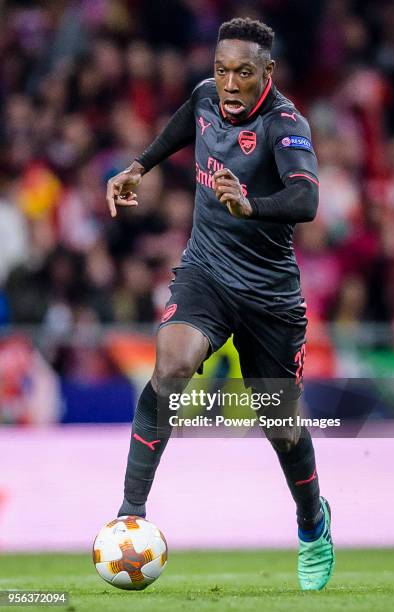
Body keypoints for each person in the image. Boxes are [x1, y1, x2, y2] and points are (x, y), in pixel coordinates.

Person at [106, 17, 334, 591]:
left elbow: (306, 198)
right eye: (222, 69)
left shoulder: (287, 126)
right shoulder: (207, 97)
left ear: (268, 74)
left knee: (280, 425)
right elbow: (185, 123)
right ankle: (131, 512)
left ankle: (312, 523)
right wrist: (140, 166)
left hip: (269, 296)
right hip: (206, 272)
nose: (229, 83)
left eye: (244, 73)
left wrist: (249, 206)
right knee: (172, 364)